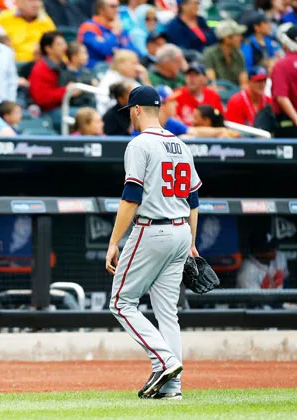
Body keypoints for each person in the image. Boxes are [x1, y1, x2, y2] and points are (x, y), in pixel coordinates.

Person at [105, 85, 201, 401]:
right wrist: (191, 242)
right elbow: (194, 201)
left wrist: (114, 241)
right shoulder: (181, 145)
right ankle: (173, 387)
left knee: (121, 302)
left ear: (136, 110)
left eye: (130, 112)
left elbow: (131, 197)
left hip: (153, 230)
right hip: (181, 231)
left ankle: (166, 362)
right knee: (167, 312)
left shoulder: (139, 144)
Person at [157, 84, 238, 138]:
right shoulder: (150, 124)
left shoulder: (170, 122)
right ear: (162, 105)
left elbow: (194, 131)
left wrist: (221, 131)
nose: (176, 104)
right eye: (172, 101)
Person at [77, 0, 139, 68]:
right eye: (112, 7)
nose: (117, 10)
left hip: (117, 68)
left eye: (118, 6)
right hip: (95, 68)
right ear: (101, 10)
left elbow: (134, 51)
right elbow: (105, 50)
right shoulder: (89, 27)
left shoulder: (118, 27)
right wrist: (114, 33)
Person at [29, 31, 72, 114]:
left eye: (64, 43)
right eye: (59, 44)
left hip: (66, 105)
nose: (64, 47)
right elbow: (41, 98)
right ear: (48, 48)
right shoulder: (40, 68)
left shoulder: (65, 65)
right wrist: (66, 91)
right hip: (49, 110)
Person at [96, 49, 146, 115]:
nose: (138, 67)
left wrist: (145, 79)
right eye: (134, 63)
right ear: (121, 64)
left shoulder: (130, 79)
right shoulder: (109, 80)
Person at [202, 19, 247, 87]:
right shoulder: (210, 53)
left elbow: (244, 83)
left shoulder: (238, 54)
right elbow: (211, 84)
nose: (241, 38)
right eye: (237, 35)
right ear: (226, 38)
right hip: (218, 92)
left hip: (236, 92)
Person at [58, 42, 98, 108]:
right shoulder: (65, 74)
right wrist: (89, 83)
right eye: (83, 53)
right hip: (75, 107)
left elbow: (95, 82)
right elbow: (67, 94)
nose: (87, 56)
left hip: (91, 105)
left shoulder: (87, 71)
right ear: (74, 57)